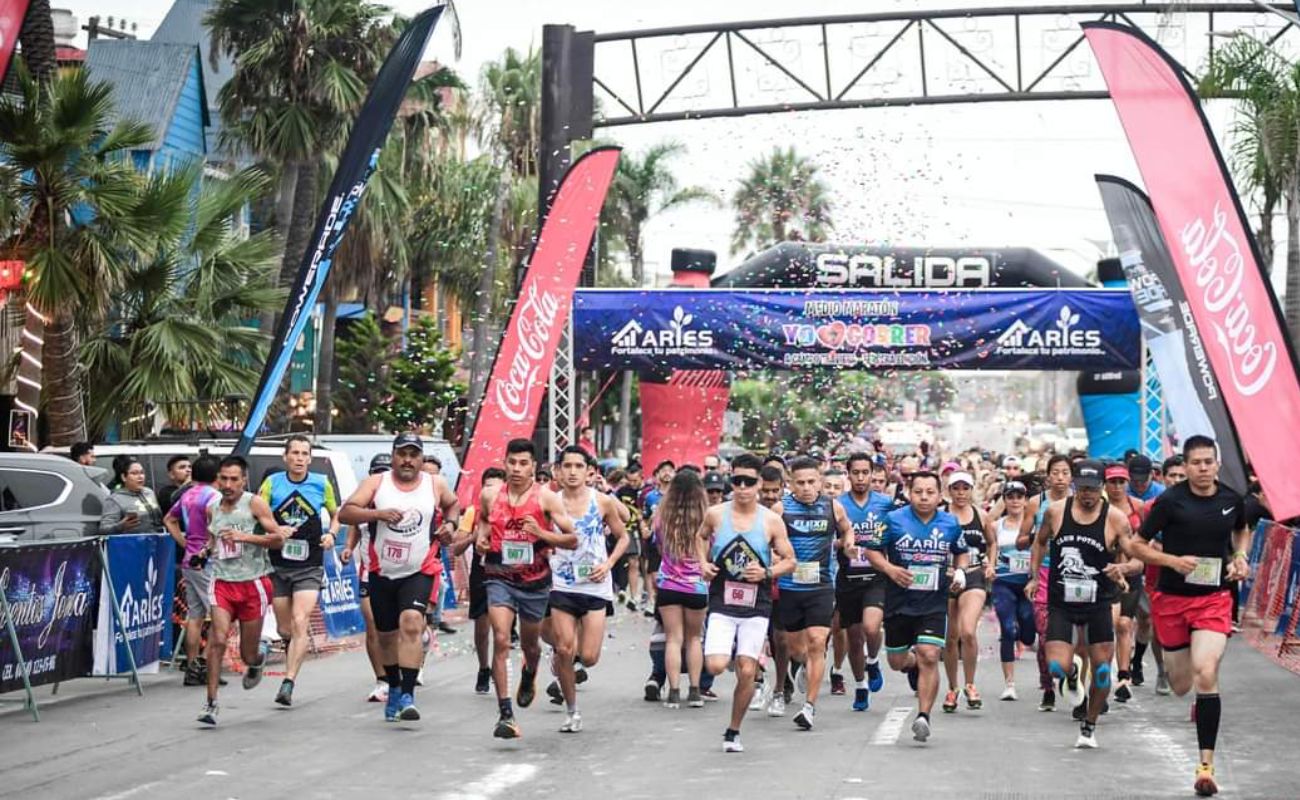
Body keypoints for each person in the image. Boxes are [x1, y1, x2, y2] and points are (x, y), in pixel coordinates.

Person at [1130, 435, 1249, 797]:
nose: (1201, 469)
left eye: (1207, 462)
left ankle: (1205, 767)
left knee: (1206, 672)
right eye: (1195, 463)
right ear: (1186, 465)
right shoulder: (1169, 501)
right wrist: (1171, 562)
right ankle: (1188, 676)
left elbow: (1241, 530)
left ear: (1216, 463)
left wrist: (1240, 557)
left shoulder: (1231, 499)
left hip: (1213, 599)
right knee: (1182, 684)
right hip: (1172, 600)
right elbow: (1135, 544)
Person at [338, 433, 460, 723]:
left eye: (413, 454)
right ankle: (392, 685)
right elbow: (346, 513)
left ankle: (407, 694)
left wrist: (451, 525)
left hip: (419, 569)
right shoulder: (376, 484)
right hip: (382, 572)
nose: (408, 460)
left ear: (420, 458)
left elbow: (453, 504)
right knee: (386, 635)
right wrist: (377, 514)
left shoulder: (435, 484)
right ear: (393, 456)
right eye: (402, 454)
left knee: (412, 622)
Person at [1026, 459, 1136, 749]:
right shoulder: (1055, 512)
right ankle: (1072, 675)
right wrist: (1034, 576)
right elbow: (1039, 543)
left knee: (1101, 671)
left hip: (1099, 601)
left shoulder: (1115, 518)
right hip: (1062, 601)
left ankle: (1089, 725)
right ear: (1075, 485)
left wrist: (1122, 570)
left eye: (1093, 489)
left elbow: (1137, 556)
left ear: (1102, 488)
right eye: (1083, 488)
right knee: (1056, 667)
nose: (1088, 495)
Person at [474, 438, 577, 739]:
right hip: (498, 575)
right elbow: (483, 521)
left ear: (534, 467)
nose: (517, 469)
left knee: (531, 646)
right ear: (504, 463)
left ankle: (530, 671)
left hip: (535, 582)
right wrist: (481, 538)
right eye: (512, 462)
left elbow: (572, 538)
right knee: (502, 638)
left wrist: (541, 532)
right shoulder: (490, 495)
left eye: (523, 463)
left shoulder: (547, 499)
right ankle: (505, 713)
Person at [700, 453, 794, 752]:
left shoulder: (771, 521)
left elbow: (790, 561)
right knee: (715, 666)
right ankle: (730, 651)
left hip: (757, 603)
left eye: (749, 482)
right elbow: (699, 538)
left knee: (747, 670)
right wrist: (703, 563)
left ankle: (733, 731)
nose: (742, 487)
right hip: (722, 600)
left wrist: (766, 571)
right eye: (736, 480)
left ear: (759, 484)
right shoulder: (716, 514)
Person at [866, 471, 967, 743]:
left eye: (930, 492)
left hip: (933, 603)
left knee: (930, 654)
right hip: (899, 602)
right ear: (909, 493)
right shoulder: (893, 520)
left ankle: (923, 716)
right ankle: (912, 665)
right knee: (898, 661)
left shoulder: (950, 523)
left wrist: (960, 574)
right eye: (918, 491)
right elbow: (871, 551)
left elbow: (961, 552)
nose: (924, 497)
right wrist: (890, 568)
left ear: (939, 494)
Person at [197, 456, 293, 725]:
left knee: (246, 654)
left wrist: (245, 537)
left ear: (244, 480)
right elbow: (213, 540)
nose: (228, 485)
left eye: (233, 479)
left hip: (253, 583)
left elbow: (277, 540)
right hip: (221, 582)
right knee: (217, 639)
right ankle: (211, 703)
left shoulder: (254, 503)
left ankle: (257, 658)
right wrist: (205, 551)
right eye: (223, 479)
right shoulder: (212, 508)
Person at [544, 447, 629, 732]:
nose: (572, 471)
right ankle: (572, 711)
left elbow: (624, 537)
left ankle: (567, 664)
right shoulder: (548, 501)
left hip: (594, 585)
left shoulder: (602, 501)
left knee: (589, 657)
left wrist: (609, 564)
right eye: (566, 465)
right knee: (566, 649)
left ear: (588, 471)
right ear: (558, 470)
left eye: (578, 466)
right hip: (562, 584)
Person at [256, 435, 342, 706]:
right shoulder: (272, 483)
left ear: (310, 458)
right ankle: (290, 646)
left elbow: (337, 512)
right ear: (286, 457)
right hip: (278, 563)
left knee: (300, 619)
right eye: (294, 453)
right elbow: (257, 511)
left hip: (310, 563)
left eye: (305, 453)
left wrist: (332, 534)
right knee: (285, 628)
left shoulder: (321, 483)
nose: (299, 458)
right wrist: (274, 529)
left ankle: (288, 682)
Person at [778, 456, 855, 730]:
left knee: (817, 641)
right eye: (800, 483)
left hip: (821, 585)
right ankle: (800, 666)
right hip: (789, 586)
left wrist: (849, 545)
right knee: (797, 648)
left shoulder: (833, 507)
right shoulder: (780, 509)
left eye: (812, 482)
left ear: (820, 482)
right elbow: (769, 540)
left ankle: (809, 706)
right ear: (790, 484)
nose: (807, 488)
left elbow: (848, 530)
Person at [836, 452, 893, 711]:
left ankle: (873, 661)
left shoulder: (886, 504)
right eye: (855, 472)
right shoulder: (837, 505)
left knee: (872, 628)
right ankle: (860, 686)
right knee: (854, 638)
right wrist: (844, 544)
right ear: (848, 475)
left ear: (873, 475)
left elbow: (896, 536)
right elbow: (828, 540)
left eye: (865, 473)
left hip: (876, 577)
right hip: (848, 577)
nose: (860, 478)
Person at [653, 469, 710, 709]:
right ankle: (695, 691)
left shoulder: (662, 516)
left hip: (668, 584)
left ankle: (674, 691)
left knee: (673, 639)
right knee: (695, 638)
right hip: (696, 585)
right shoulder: (706, 518)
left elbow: (657, 547)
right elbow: (710, 551)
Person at [162, 454, 221, 687]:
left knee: (195, 616)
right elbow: (217, 529)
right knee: (220, 616)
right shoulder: (214, 497)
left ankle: (193, 666)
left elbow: (169, 519)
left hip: (190, 561)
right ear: (217, 475)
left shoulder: (188, 495)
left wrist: (184, 543)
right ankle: (206, 665)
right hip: (208, 562)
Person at [1020, 454, 1073, 711]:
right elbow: (1026, 538)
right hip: (1043, 570)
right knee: (1045, 632)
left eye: (1065, 472)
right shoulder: (1035, 503)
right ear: (1048, 476)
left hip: (1074, 572)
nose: (1060, 478)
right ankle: (1048, 685)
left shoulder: (1083, 501)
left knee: (1074, 632)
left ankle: (1071, 673)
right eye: (1056, 473)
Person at [341, 453, 395, 703]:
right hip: (368, 573)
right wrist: (349, 548)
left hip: (401, 573)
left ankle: (400, 672)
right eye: (376, 472)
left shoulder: (400, 498)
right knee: (373, 625)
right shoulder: (361, 502)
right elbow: (354, 526)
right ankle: (382, 680)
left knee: (397, 628)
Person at [450, 467, 506, 694]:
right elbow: (456, 548)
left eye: (498, 487)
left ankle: (498, 668)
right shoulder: (473, 512)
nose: (492, 491)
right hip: (481, 572)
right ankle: (483, 667)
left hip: (507, 572)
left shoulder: (512, 510)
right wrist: (475, 536)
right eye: (488, 485)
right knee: (482, 627)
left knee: (501, 629)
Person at [942, 471, 994, 713]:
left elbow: (992, 542)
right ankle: (952, 688)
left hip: (973, 576)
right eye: (956, 488)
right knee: (951, 637)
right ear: (949, 491)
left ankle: (970, 684)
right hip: (948, 577)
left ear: (972, 490)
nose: (961, 493)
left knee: (968, 632)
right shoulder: (941, 516)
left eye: (965, 488)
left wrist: (991, 563)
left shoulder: (980, 516)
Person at [1103, 463, 1146, 704]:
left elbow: (1144, 544)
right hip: (1107, 575)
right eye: (1113, 482)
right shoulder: (1099, 508)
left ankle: (1124, 676)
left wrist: (1128, 566)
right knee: (1107, 627)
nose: (1117, 486)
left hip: (1131, 572)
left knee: (1124, 624)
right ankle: (1103, 677)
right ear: (1105, 484)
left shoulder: (1137, 507)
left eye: (1122, 482)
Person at [990, 480, 1035, 700]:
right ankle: (1009, 683)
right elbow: (988, 548)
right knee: (1008, 630)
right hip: (1004, 584)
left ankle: (1026, 637)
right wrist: (988, 566)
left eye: (1019, 496)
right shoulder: (996, 525)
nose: (1015, 501)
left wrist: (1035, 578)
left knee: (1028, 634)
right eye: (1010, 497)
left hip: (1028, 585)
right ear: (1005, 500)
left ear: (1026, 500)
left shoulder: (1034, 525)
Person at [640, 460, 675, 612]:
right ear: (658, 475)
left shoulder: (678, 496)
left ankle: (664, 606)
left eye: (670, 470)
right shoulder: (650, 497)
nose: (667, 473)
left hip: (673, 543)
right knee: (655, 577)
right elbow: (643, 517)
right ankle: (656, 601)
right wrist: (645, 528)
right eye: (663, 470)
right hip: (655, 542)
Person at [101, 458, 162, 534]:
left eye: (142, 473)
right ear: (124, 477)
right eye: (134, 473)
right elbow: (104, 529)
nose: (140, 477)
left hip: (157, 540)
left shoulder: (149, 492)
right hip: (133, 543)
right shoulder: (115, 499)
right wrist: (121, 526)